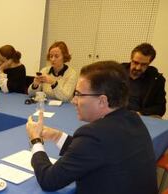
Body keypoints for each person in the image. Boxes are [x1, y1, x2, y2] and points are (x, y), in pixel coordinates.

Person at [26, 61, 157, 194]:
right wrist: (57, 136)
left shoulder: (93, 135)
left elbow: (48, 180)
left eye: (78, 94)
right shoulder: (133, 119)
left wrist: (36, 141)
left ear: (102, 101)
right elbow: (93, 152)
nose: (73, 101)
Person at [122, 43, 166, 117]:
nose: (138, 68)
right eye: (135, 63)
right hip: (115, 114)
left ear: (149, 63)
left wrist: (141, 113)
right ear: (131, 59)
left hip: (138, 117)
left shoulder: (156, 80)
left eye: (143, 64)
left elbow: (160, 108)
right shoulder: (116, 72)